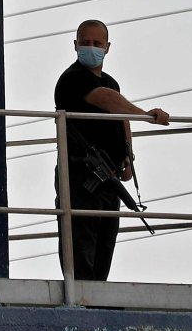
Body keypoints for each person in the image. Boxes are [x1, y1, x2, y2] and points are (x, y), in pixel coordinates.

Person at [53, 19, 171, 281]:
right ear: (75, 45)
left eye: (96, 43)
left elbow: (119, 116)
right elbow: (106, 100)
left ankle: (96, 299)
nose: (90, 47)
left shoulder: (111, 82)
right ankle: (81, 301)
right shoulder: (72, 79)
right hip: (79, 177)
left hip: (108, 179)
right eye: (85, 42)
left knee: (104, 246)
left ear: (107, 47)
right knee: (80, 245)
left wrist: (128, 156)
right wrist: (147, 115)